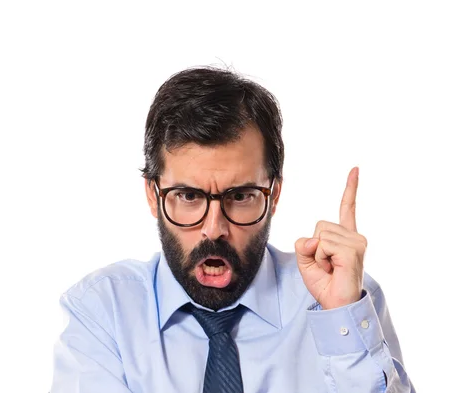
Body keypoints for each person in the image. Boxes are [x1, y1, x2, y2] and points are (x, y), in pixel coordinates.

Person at [50, 66, 415, 393]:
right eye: (189, 195)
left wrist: (343, 322)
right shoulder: (102, 312)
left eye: (240, 195)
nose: (214, 229)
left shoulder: (343, 299)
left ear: (273, 195)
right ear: (152, 195)